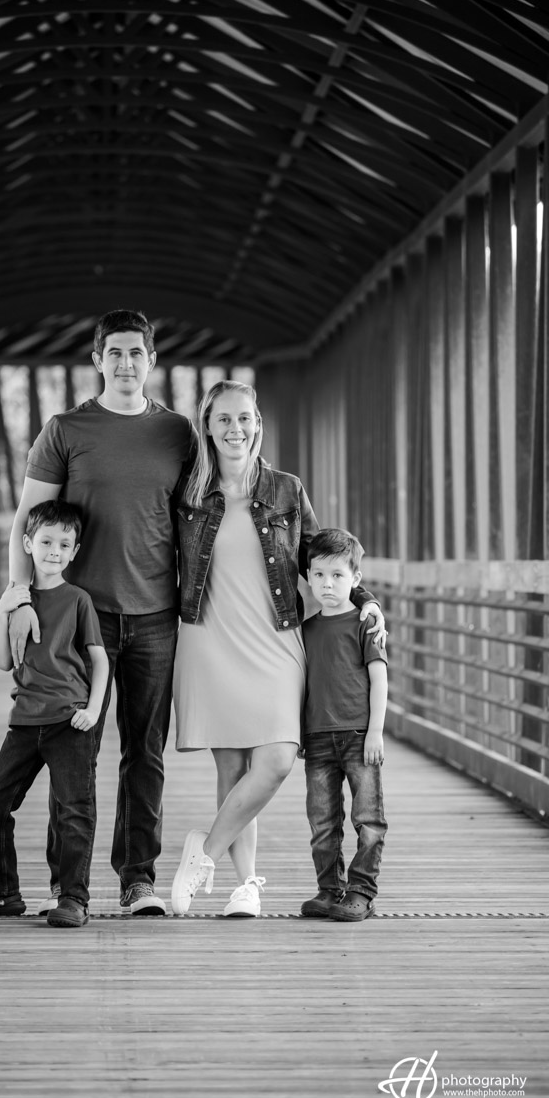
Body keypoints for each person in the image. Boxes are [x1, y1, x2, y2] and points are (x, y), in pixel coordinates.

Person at [3, 309, 195, 916]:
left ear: (152, 361)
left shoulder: (179, 434)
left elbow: (210, 520)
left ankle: (138, 880)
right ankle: (71, 889)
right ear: (96, 361)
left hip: (157, 616)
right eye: (114, 352)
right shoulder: (65, 429)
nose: (126, 363)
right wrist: (19, 593)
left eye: (137, 352)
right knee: (74, 753)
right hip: (80, 618)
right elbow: (26, 521)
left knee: (146, 751)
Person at [169, 380, 386, 918]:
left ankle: (205, 853)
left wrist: (363, 597)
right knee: (232, 768)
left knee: (277, 759)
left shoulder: (287, 490)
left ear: (258, 424)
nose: (234, 429)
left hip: (276, 639)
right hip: (210, 637)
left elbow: (324, 554)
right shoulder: (188, 493)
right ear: (208, 426)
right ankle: (247, 887)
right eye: (222, 419)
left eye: (244, 418)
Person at [0, 500, 108, 928]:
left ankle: (74, 899)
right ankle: (3, 892)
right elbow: (4, 661)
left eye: (64, 543)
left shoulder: (78, 600)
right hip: (24, 722)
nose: (54, 550)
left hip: (68, 721)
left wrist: (93, 711)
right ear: (27, 544)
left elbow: (99, 660)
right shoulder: (15, 599)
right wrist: (2, 610)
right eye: (45, 541)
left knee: (75, 809)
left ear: (75, 551)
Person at [299, 528, 388, 922]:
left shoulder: (365, 623)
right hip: (318, 738)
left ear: (356, 579)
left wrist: (375, 732)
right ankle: (328, 890)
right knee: (322, 822)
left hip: (358, 737)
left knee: (367, 820)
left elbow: (379, 679)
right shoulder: (306, 629)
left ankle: (361, 892)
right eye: (318, 575)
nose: (327, 584)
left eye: (337, 575)